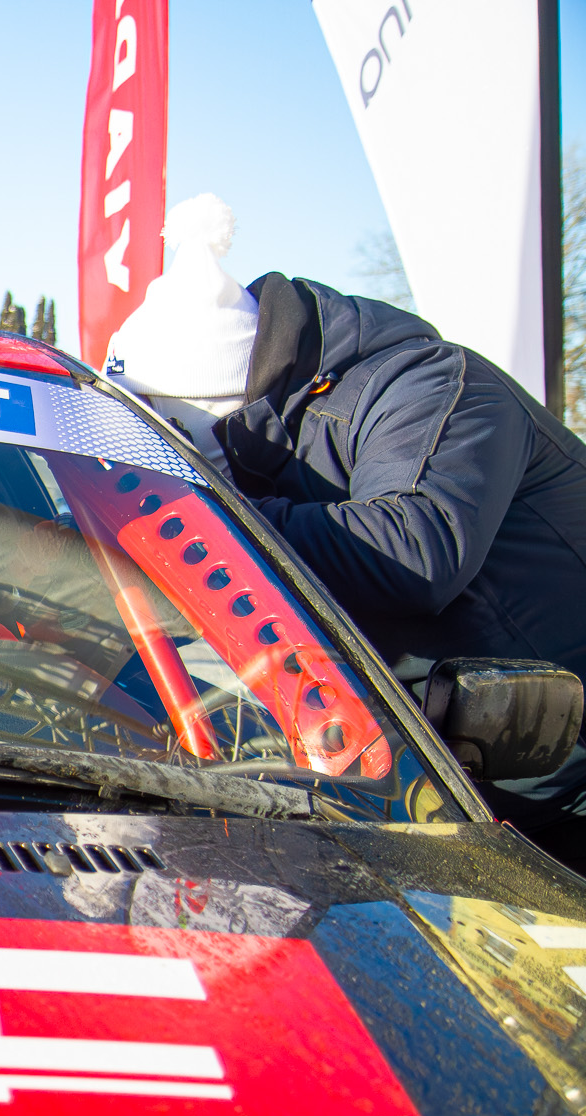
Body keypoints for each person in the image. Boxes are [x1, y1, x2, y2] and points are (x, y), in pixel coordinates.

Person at [109, 195, 586, 862]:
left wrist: (198, 521)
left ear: (226, 410)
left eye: (177, 437)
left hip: (563, 780)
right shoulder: (266, 447)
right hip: (441, 784)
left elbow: (414, 550)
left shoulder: (434, 389)